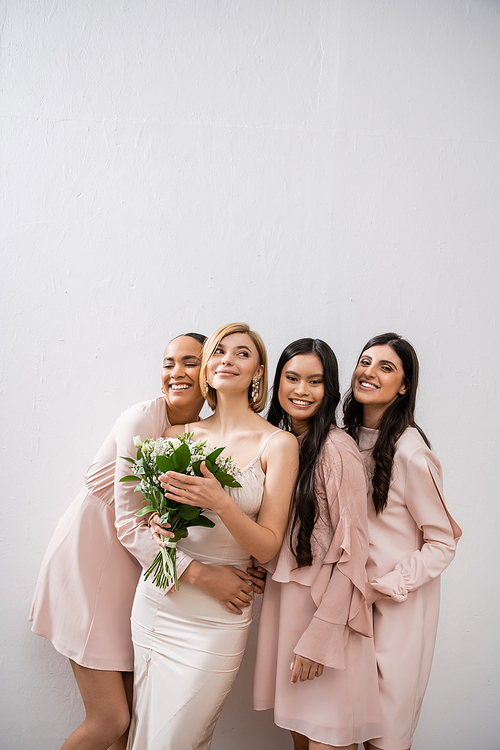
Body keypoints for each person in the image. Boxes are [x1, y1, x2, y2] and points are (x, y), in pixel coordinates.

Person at [30, 332, 225, 750]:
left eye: (189, 362)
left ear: (210, 369)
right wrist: (202, 576)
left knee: (132, 723)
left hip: (133, 578)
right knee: (111, 720)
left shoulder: (200, 434)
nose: (176, 372)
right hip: (89, 564)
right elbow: (126, 521)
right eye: (168, 362)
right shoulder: (139, 419)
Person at [127, 322, 299, 750]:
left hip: (222, 613)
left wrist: (221, 501)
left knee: (180, 737)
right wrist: (157, 525)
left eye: (242, 353)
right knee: (146, 732)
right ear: (208, 367)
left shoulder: (278, 444)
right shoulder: (174, 436)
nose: (227, 360)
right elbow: (152, 520)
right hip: (160, 600)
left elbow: (268, 544)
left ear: (259, 371)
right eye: (219, 352)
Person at [254, 338, 382, 750]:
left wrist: (320, 638)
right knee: (301, 738)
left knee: (328, 739)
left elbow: (353, 552)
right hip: (288, 608)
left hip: (325, 617)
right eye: (292, 378)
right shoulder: (280, 443)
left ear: (329, 389)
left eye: (315, 381)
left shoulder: (336, 449)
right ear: (277, 384)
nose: (301, 391)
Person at [343, 332, 462, 750]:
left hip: (394, 614)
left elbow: (443, 542)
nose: (369, 372)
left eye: (385, 367)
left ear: (405, 386)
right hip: (345, 609)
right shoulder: (343, 441)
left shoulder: (412, 453)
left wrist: (382, 588)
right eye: (365, 361)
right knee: (340, 730)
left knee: (385, 738)